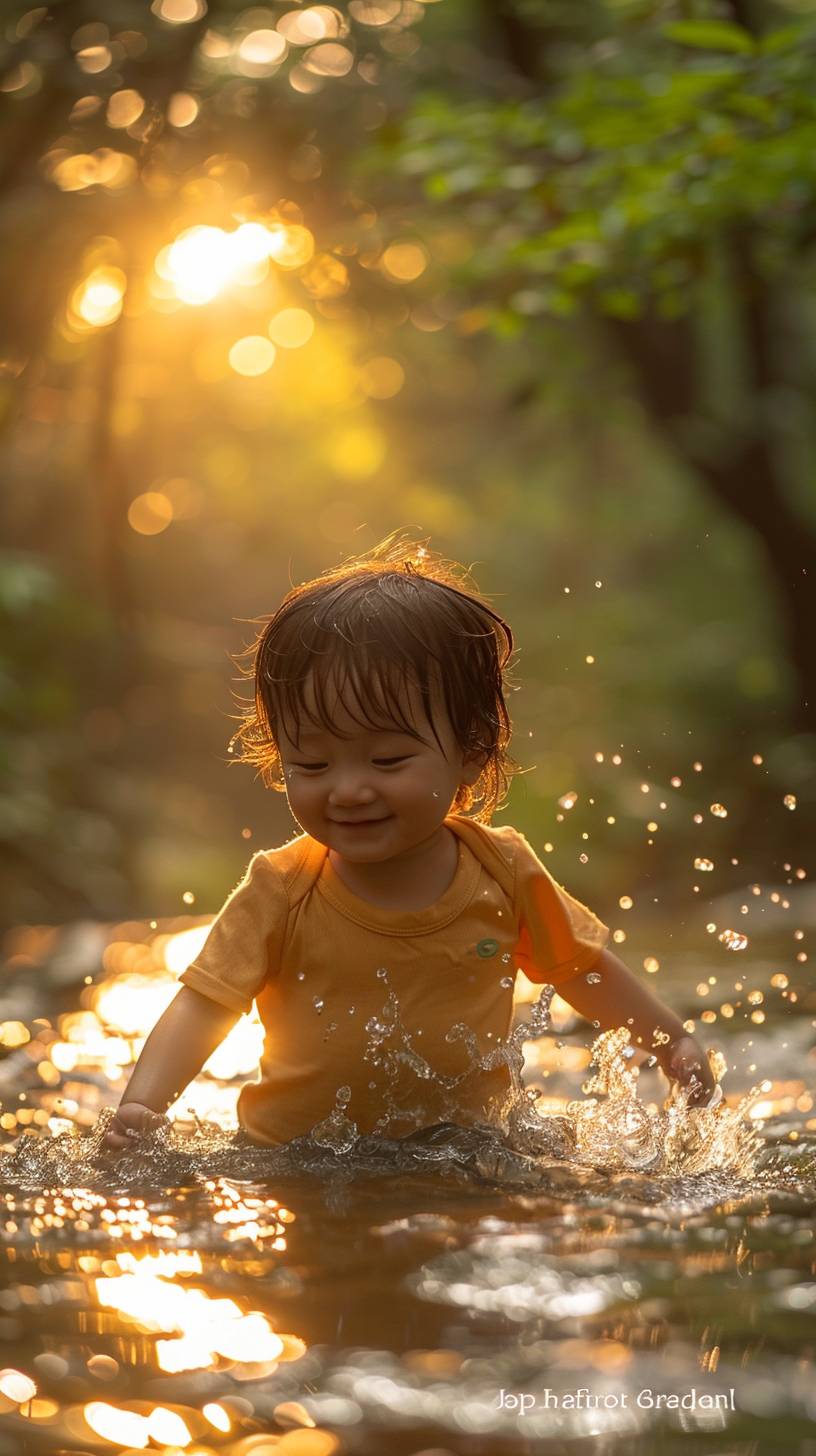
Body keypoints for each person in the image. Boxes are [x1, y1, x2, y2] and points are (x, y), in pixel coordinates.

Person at [101, 531, 717, 1153]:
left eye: (388, 759)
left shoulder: (501, 870)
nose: (347, 789)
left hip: (467, 1154)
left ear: (472, 752)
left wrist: (672, 1042)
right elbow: (205, 1003)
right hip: (298, 1162)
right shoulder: (281, 888)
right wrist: (141, 1106)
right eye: (311, 765)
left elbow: (581, 968)